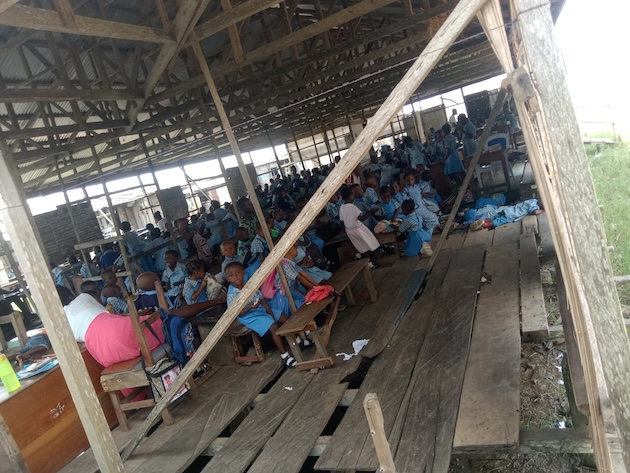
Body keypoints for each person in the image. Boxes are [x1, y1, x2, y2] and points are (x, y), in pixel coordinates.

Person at [57, 286, 165, 369]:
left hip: (102, 353)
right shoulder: (83, 297)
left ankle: (137, 397)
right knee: (161, 323)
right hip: (115, 330)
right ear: (71, 295)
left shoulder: (60, 321)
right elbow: (107, 315)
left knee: (120, 364)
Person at [224, 262, 296, 368]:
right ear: (227, 279)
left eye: (238, 273)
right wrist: (250, 308)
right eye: (231, 275)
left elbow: (262, 300)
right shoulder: (232, 293)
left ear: (244, 273)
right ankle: (285, 356)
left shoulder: (249, 285)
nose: (235, 277)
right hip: (248, 316)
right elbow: (237, 313)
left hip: (259, 310)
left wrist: (271, 313)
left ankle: (297, 341)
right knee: (274, 328)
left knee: (285, 317)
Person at [339, 186, 380, 268]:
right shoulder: (353, 207)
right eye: (353, 195)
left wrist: (343, 230)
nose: (354, 196)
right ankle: (374, 259)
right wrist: (370, 212)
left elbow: (341, 221)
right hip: (359, 229)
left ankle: (369, 263)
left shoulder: (342, 207)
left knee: (361, 246)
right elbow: (361, 218)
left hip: (349, 230)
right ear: (350, 196)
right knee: (371, 243)